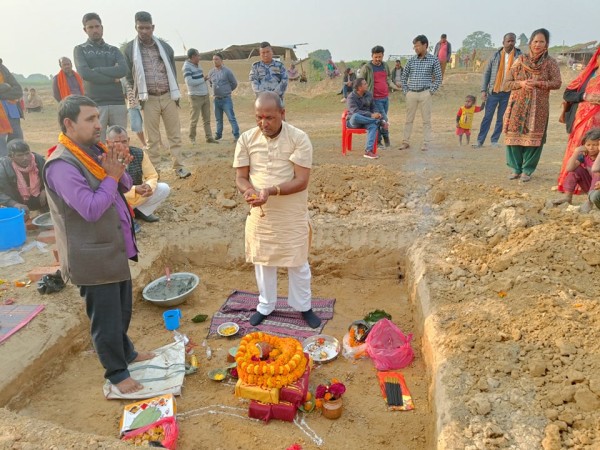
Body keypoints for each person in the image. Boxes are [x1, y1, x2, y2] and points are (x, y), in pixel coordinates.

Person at [43, 95, 154, 394]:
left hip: (111, 248)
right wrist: (111, 175)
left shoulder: (92, 151)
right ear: (69, 124)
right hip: (91, 257)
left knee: (121, 311)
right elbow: (91, 209)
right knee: (106, 319)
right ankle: (117, 374)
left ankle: (127, 353)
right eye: (90, 119)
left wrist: (119, 165)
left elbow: (125, 186)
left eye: (97, 117)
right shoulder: (61, 165)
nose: (98, 124)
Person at [233, 91, 322, 329]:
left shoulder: (298, 138)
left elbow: (301, 181)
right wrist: (249, 191)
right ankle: (265, 305)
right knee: (263, 262)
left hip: (291, 215)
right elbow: (240, 177)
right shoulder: (246, 139)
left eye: (269, 117)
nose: (264, 123)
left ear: (283, 113)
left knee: (298, 261)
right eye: (259, 117)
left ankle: (303, 306)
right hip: (261, 215)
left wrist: (270, 191)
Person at [123, 11, 191, 179]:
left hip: (168, 96)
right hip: (149, 99)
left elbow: (172, 71)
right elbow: (129, 75)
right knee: (151, 139)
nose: (144, 31)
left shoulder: (164, 47)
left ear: (153, 27)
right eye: (141, 28)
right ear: (135, 27)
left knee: (174, 135)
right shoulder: (131, 49)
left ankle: (179, 167)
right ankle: (155, 172)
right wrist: (137, 94)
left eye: (147, 28)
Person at [503, 28, 561, 182]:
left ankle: (527, 171)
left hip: (539, 108)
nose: (538, 45)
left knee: (534, 139)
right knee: (513, 136)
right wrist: (521, 83)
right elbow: (506, 84)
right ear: (530, 43)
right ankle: (515, 169)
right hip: (517, 105)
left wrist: (538, 83)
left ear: (546, 44)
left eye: (541, 42)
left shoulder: (550, 63)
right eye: (535, 41)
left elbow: (557, 83)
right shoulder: (520, 60)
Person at [74, 13, 128, 142]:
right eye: (90, 27)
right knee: (97, 144)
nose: (95, 30)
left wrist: (98, 70)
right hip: (95, 104)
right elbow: (85, 74)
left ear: (102, 28)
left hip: (117, 102)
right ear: (85, 30)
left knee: (120, 143)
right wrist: (112, 78)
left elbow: (123, 70)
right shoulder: (80, 50)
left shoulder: (114, 50)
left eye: (97, 26)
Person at [557, 47, 600, 193]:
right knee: (580, 149)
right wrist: (585, 96)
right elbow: (568, 94)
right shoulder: (588, 75)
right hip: (582, 122)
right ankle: (574, 184)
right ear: (597, 57)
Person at [106, 125, 169, 223]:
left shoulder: (138, 153)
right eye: (116, 142)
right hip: (116, 199)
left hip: (135, 196)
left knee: (164, 188)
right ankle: (127, 217)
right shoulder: (103, 158)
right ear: (108, 143)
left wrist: (148, 186)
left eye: (124, 141)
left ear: (128, 140)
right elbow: (108, 188)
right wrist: (134, 189)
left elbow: (152, 175)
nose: (121, 145)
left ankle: (141, 211)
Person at [473, 33, 521, 148]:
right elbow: (487, 73)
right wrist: (483, 90)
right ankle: (480, 141)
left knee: (501, 118)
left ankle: (494, 140)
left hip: (508, 93)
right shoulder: (495, 56)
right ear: (503, 42)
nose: (511, 43)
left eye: (513, 41)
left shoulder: (519, 56)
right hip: (493, 92)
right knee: (487, 117)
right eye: (508, 41)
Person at [399, 35, 443, 151]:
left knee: (426, 120)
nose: (415, 48)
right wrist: (406, 92)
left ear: (425, 45)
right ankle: (405, 142)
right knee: (408, 119)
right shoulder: (411, 60)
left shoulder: (433, 60)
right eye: (414, 46)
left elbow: (438, 78)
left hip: (425, 93)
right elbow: (404, 77)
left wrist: (431, 92)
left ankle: (426, 143)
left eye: (417, 46)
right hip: (411, 93)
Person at [552, 128, 600, 212]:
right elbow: (569, 168)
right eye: (588, 145)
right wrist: (576, 151)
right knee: (575, 170)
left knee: (596, 173)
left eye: (595, 145)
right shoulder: (584, 155)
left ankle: (589, 202)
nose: (591, 148)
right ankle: (568, 197)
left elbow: (595, 169)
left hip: (597, 190)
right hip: (591, 187)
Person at [0, 139, 47, 218]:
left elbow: (53, 180)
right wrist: (13, 204)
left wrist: (45, 189)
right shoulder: (2, 168)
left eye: (27, 153)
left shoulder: (39, 160)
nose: (25, 158)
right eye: (20, 155)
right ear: (11, 157)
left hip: (41, 199)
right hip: (16, 202)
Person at [346, 78, 387, 160]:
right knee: (356, 116)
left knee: (373, 126)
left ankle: (368, 151)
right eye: (364, 84)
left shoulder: (368, 94)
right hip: (354, 122)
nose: (367, 85)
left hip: (366, 121)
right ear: (359, 87)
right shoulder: (351, 97)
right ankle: (379, 122)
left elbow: (374, 107)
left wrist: (377, 114)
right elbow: (355, 111)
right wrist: (371, 115)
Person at [183, 48, 218, 145]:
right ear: (193, 56)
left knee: (207, 119)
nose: (200, 57)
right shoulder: (186, 67)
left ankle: (209, 137)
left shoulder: (198, 65)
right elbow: (189, 82)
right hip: (195, 97)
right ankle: (192, 138)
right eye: (198, 55)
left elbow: (201, 78)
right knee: (194, 119)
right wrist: (203, 79)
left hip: (204, 95)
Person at [362, 45, 394, 147]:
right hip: (374, 98)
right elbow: (360, 81)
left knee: (380, 120)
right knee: (384, 119)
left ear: (383, 56)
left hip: (385, 98)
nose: (377, 59)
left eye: (379, 57)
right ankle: (384, 140)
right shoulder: (367, 68)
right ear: (372, 56)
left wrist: (395, 86)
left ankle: (380, 141)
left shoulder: (385, 66)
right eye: (375, 57)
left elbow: (388, 78)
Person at [207, 53, 240, 142]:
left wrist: (227, 90)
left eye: (217, 59)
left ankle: (236, 135)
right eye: (213, 59)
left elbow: (234, 83)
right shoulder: (211, 72)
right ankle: (218, 135)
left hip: (226, 99)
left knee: (231, 118)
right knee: (218, 119)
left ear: (221, 60)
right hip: (216, 100)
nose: (215, 61)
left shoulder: (227, 71)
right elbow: (210, 83)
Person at [0, 59, 24, 157]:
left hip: (12, 111)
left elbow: (18, 91)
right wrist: (5, 87)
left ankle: (17, 164)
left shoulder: (2, 68)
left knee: (17, 142)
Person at [120, 78, 147, 148]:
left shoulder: (139, 75)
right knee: (137, 126)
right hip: (132, 105)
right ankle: (144, 144)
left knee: (150, 124)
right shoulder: (123, 79)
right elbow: (124, 94)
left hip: (144, 103)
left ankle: (159, 143)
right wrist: (132, 98)